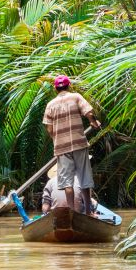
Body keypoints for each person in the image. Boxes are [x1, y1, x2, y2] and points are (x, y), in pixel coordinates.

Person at [42, 74, 101, 215]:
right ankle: (88, 212)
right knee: (84, 179)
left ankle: (71, 214)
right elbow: (88, 112)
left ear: (56, 89)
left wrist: (57, 140)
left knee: (67, 183)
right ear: (69, 86)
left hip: (62, 148)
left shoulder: (50, 105)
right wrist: (93, 122)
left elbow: (49, 129)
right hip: (79, 144)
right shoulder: (76, 97)